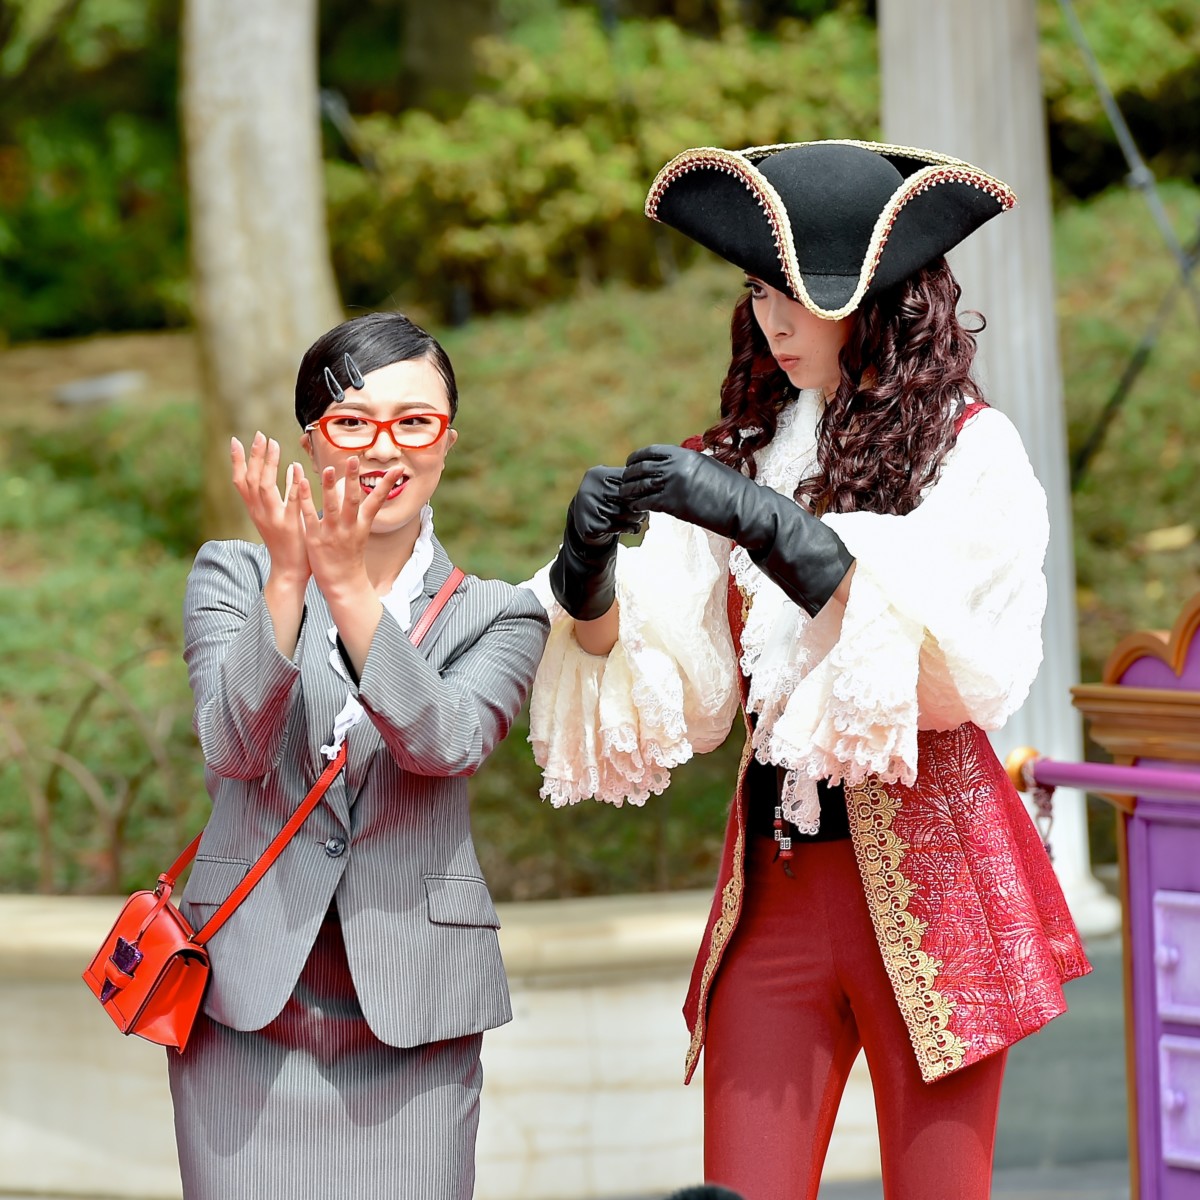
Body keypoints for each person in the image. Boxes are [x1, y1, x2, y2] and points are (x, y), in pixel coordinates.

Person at [527, 140, 1091, 1199]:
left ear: (877, 302)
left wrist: (764, 522)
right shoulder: (746, 449)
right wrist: (588, 572)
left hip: (936, 882)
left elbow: (952, 672)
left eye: (798, 297)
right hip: (775, 896)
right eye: (758, 291)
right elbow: (671, 691)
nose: (773, 322)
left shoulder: (973, 452)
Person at [169, 311, 550, 1200]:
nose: (385, 447)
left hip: (416, 1006)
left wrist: (344, 587)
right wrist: (292, 578)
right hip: (244, 1000)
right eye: (353, 421)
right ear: (310, 439)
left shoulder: (498, 613)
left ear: (447, 439)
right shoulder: (234, 574)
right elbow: (233, 748)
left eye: (415, 421)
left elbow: (446, 741)